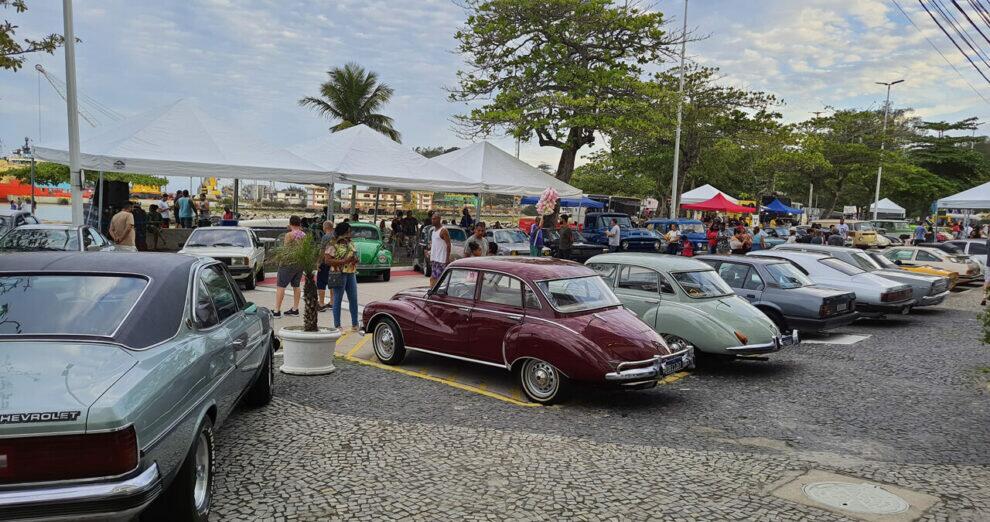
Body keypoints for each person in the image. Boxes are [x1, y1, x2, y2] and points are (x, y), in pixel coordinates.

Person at [326, 221, 360, 332]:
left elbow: (354, 256)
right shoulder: (333, 243)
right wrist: (343, 261)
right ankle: (337, 325)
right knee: (337, 299)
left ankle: (355, 324)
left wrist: (355, 260)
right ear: (344, 232)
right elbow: (327, 260)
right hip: (338, 273)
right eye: (349, 231)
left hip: (351, 272)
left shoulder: (351, 243)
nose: (351, 234)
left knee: (353, 299)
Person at [273, 216, 305, 317]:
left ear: (290, 223)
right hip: (299, 263)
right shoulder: (304, 235)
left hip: (288, 263)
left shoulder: (289, 235)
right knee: (296, 285)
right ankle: (295, 308)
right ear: (299, 224)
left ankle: (277, 310)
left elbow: (286, 250)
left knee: (281, 286)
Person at [316, 220, 335, 312]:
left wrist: (318, 262)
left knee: (321, 282)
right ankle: (332, 303)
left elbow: (322, 251)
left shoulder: (326, 237)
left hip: (326, 262)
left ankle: (321, 304)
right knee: (331, 283)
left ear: (325, 227)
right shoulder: (336, 236)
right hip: (334, 262)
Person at [428, 213, 451, 286]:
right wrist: (430, 253)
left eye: (434, 219)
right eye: (432, 219)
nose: (432, 220)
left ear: (439, 219)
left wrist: (447, 259)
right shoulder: (433, 231)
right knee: (434, 279)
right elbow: (434, 245)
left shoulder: (443, 231)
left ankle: (435, 293)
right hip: (435, 259)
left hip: (441, 260)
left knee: (438, 279)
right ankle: (433, 293)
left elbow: (448, 245)